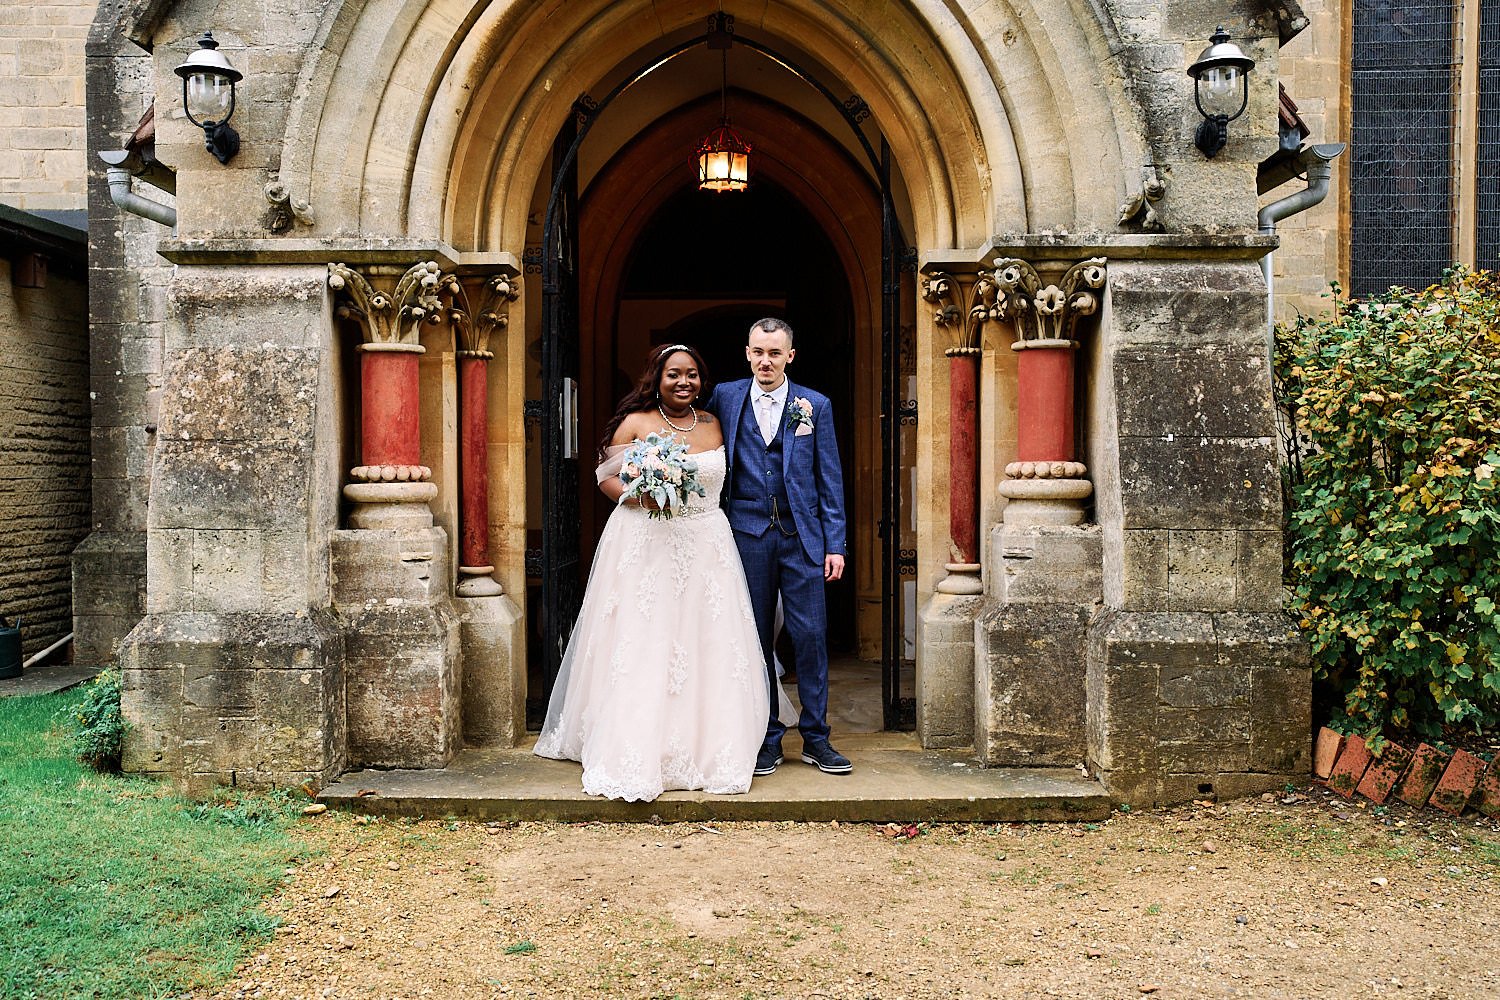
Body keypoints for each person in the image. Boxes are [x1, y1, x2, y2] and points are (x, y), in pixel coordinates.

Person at [533, 344, 770, 801]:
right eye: (674, 375)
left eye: (693, 375)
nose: (685, 382)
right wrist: (638, 495)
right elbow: (605, 475)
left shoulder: (714, 424)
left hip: (706, 543)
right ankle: (642, 744)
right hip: (649, 542)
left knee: (707, 641)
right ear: (657, 379)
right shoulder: (637, 422)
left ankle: (708, 744)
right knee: (648, 638)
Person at [707, 317, 851, 776]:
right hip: (745, 535)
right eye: (757, 352)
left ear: (791, 355)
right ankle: (767, 737)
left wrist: (836, 544)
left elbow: (830, 479)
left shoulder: (816, 405)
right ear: (746, 353)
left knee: (810, 637)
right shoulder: (725, 398)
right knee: (753, 640)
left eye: (774, 353)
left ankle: (816, 739)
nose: (765, 361)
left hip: (802, 538)